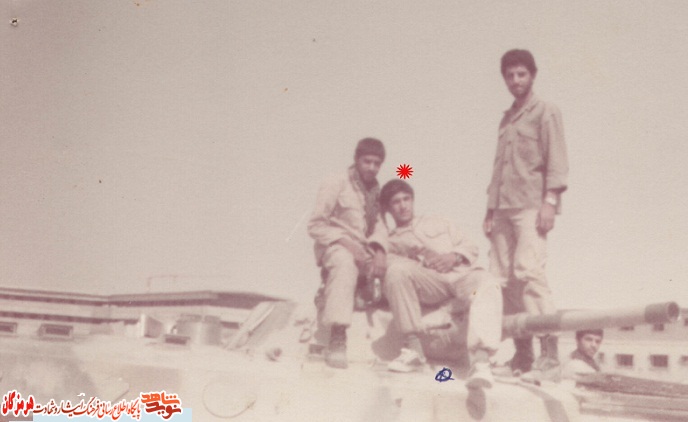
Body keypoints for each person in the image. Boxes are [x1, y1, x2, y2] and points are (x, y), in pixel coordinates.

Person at [484, 49, 569, 377]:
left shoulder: (546, 111)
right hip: (502, 209)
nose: (515, 80)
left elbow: (556, 160)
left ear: (532, 75)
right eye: (509, 75)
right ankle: (523, 355)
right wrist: (490, 210)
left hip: (531, 206)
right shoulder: (506, 119)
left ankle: (549, 353)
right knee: (503, 281)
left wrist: (550, 202)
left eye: (521, 74)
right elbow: (499, 167)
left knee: (530, 273)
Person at [380, 180, 502, 389]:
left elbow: (470, 247)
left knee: (488, 281)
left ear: (413, 200)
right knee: (396, 271)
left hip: (461, 276)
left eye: (406, 199)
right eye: (396, 202)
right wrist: (419, 260)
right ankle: (413, 351)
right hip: (431, 284)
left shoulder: (439, 221)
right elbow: (390, 265)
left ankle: (481, 362)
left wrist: (453, 257)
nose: (403, 206)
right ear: (388, 209)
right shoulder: (391, 241)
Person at [307, 138, 388, 369]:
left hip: (364, 249)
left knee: (396, 267)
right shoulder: (336, 182)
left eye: (377, 163)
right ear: (356, 159)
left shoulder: (375, 191)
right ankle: (337, 337)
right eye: (367, 161)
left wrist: (380, 251)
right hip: (335, 245)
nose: (372, 167)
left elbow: (380, 226)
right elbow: (315, 225)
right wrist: (348, 244)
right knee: (345, 263)